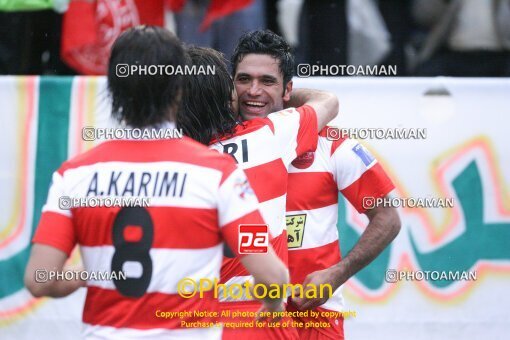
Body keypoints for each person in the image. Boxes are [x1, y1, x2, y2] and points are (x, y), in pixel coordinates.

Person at [24, 26, 289, 339]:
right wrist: (271, 309)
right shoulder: (216, 173)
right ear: (178, 89)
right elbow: (273, 276)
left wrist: (98, 269)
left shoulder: (75, 175)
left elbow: (40, 280)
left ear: (112, 88)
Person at [178, 30, 339, 339]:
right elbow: (328, 102)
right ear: (227, 97)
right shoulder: (270, 133)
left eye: (266, 82)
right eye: (239, 84)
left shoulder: (173, 162)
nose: (250, 92)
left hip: (192, 320)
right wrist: (287, 95)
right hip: (261, 319)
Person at [285, 132, 401, 339]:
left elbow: (388, 219)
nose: (254, 96)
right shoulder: (221, 142)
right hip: (244, 310)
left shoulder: (332, 145)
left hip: (314, 314)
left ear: (286, 96)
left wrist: (338, 273)